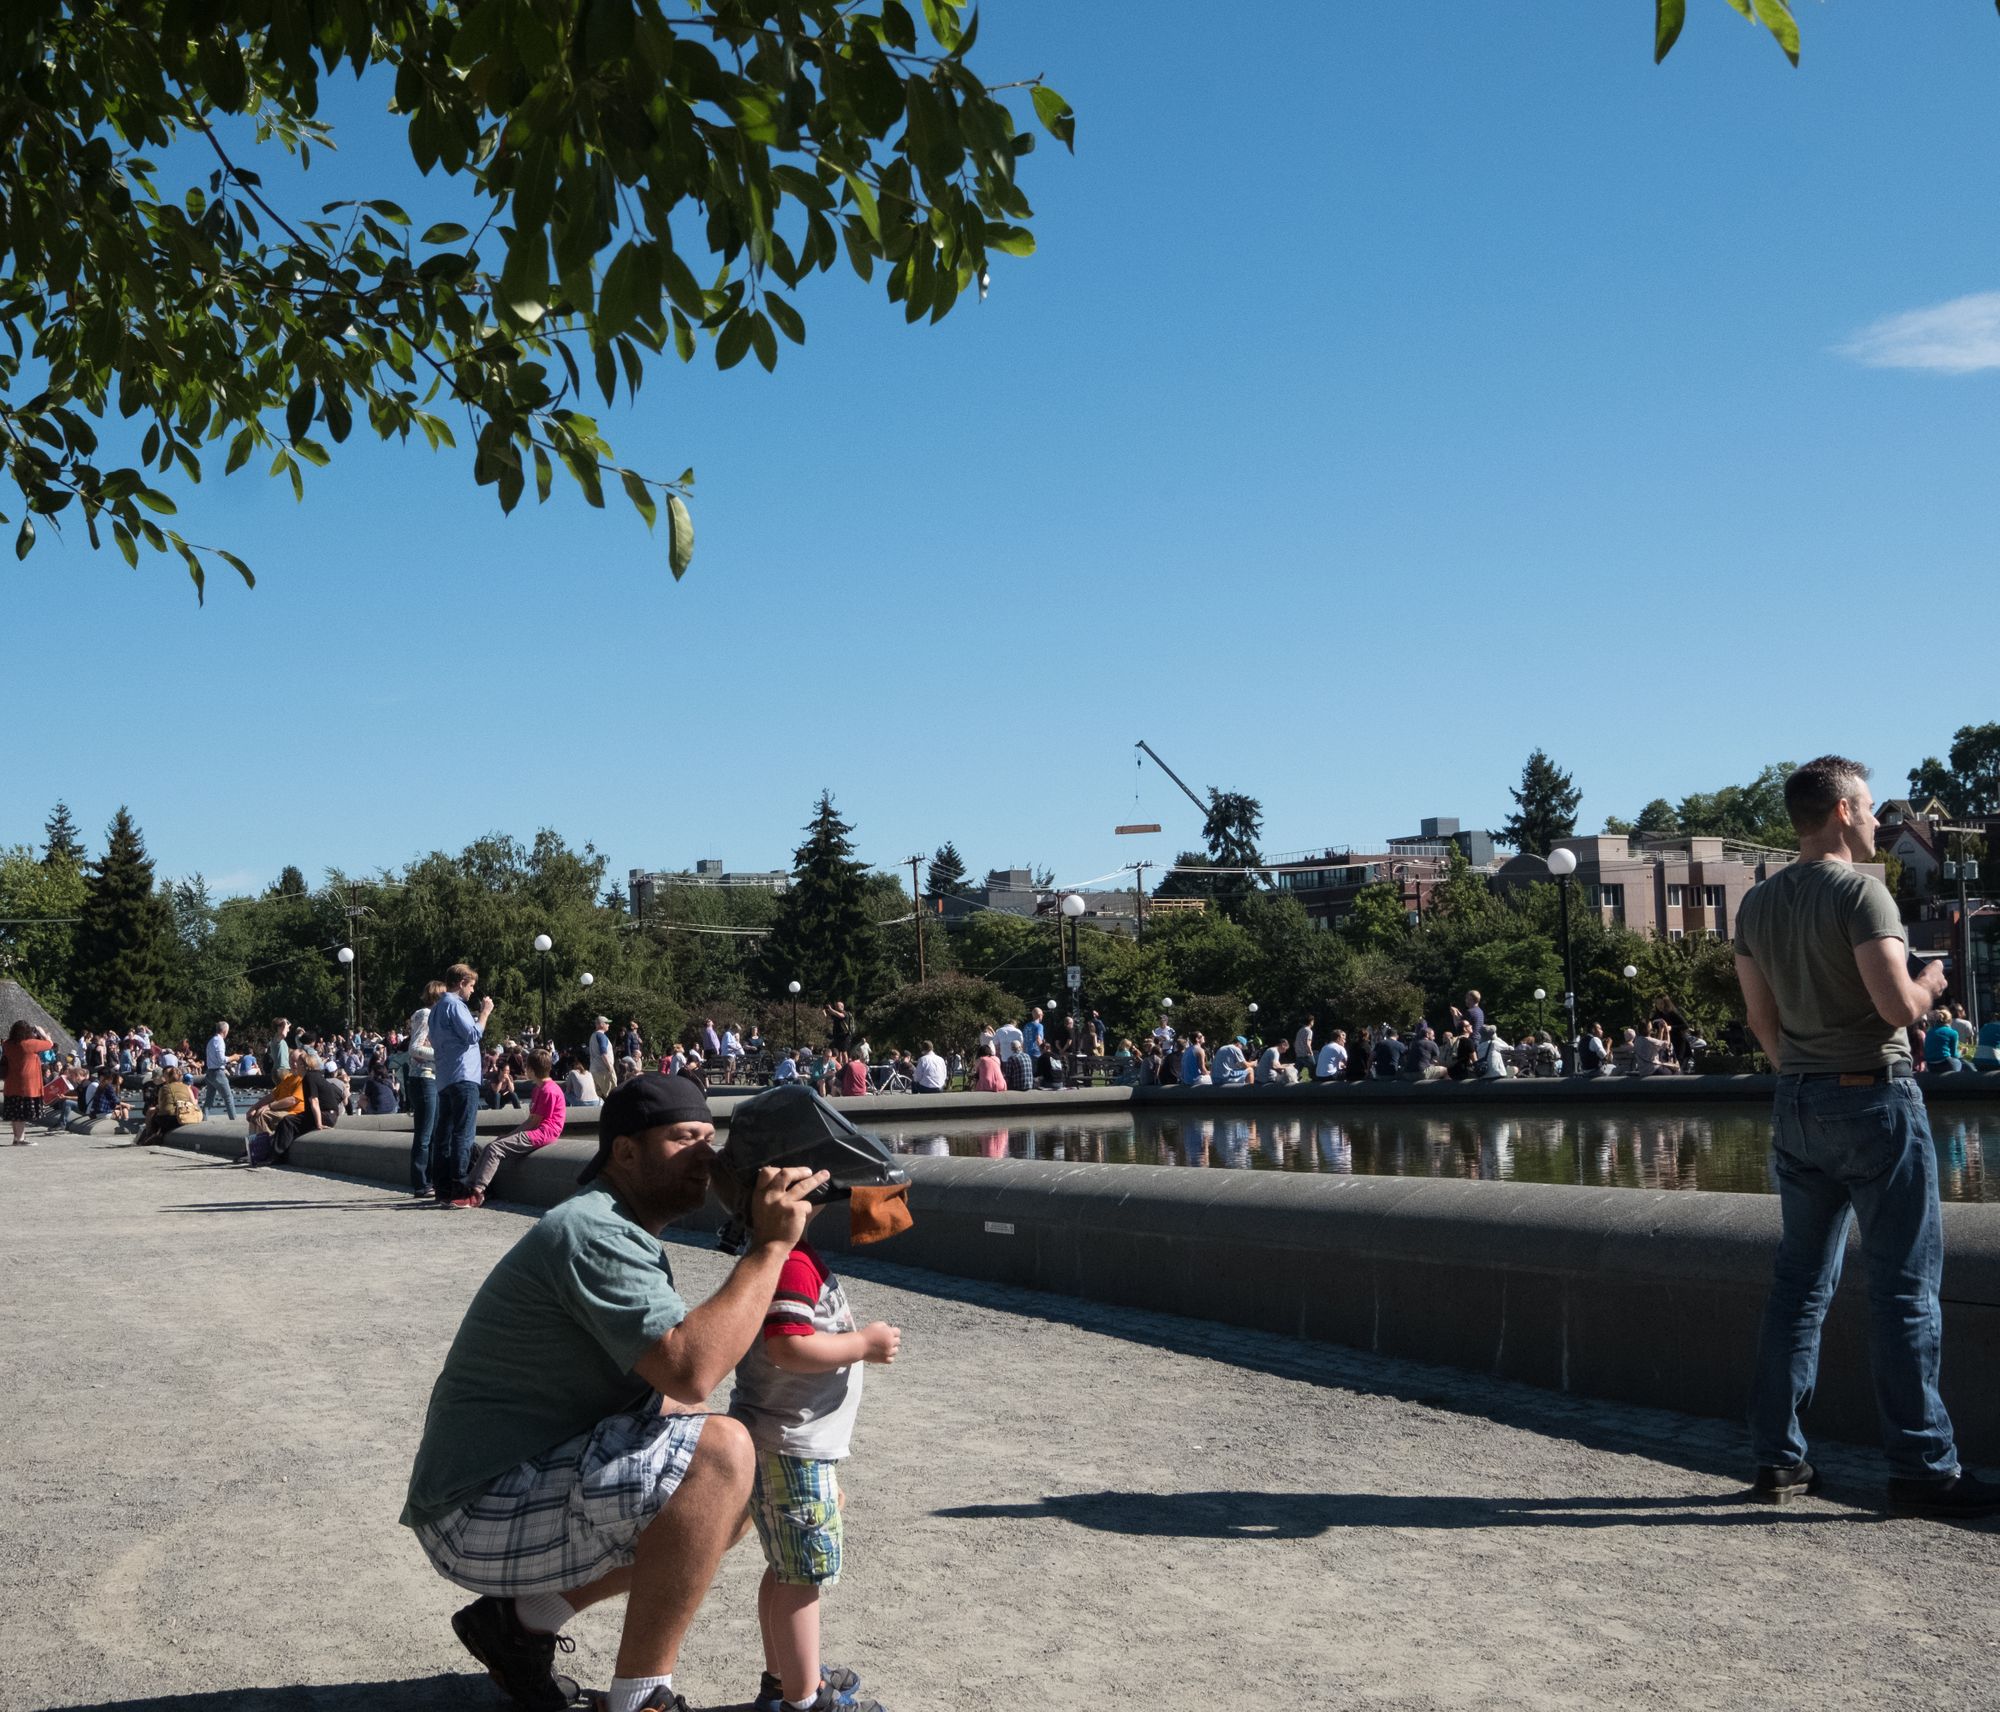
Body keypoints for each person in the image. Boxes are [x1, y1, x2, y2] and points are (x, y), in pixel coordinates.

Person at [400, 1074, 832, 1712]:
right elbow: (692, 1369)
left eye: (709, 1139)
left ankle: (518, 1624)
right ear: (626, 1152)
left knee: (751, 1468)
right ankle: (640, 1698)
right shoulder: (594, 1231)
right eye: (684, 1138)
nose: (706, 1156)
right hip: (471, 1513)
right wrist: (770, 1246)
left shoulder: (619, 1225)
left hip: (505, 1485)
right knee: (720, 1454)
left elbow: (674, 1388)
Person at [1734, 755, 1997, 1515]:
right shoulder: (1860, 891)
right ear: (1843, 811)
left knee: (1798, 1289)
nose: (1881, 820)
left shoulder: (1757, 904)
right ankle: (1923, 1468)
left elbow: (1759, 1019)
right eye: (1872, 806)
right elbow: (1896, 1007)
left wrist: (1800, 1076)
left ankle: (1778, 1459)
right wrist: (1931, 983)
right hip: (1873, 1098)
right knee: (1903, 1289)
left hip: (1797, 1101)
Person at [728, 1203, 899, 1712]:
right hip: (793, 1447)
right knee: (803, 1576)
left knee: (786, 1569)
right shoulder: (793, 1262)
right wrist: (863, 1343)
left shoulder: (778, 1253)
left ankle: (783, 1680)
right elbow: (788, 1346)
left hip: (790, 1446)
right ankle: (805, 1700)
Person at [453, 1051, 567, 1209]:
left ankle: (478, 1192)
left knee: (495, 1149)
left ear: (531, 1070)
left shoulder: (548, 1091)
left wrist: (509, 1135)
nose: (524, 1069)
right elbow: (532, 1121)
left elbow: (533, 1122)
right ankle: (467, 1184)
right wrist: (508, 1136)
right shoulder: (539, 1089)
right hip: (539, 1131)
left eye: (526, 1066)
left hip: (543, 1133)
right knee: (491, 1146)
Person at [429, 964, 494, 1206]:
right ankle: (460, 1189)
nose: (472, 990)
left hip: (445, 1077)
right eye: (471, 985)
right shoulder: (455, 1005)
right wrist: (484, 1013)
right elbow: (472, 1035)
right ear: (462, 982)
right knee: (463, 1133)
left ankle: (442, 1188)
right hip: (464, 1076)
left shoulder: (436, 1009)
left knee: (443, 1135)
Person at [407, 982, 444, 1198]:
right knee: (425, 1133)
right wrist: (442, 1054)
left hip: (432, 1078)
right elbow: (414, 1048)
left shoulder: (434, 1016)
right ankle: (421, 1183)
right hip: (423, 1078)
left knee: (433, 1132)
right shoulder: (426, 1014)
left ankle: (430, 1180)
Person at [4, 1020, 56, 1144]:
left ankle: (17, 1138)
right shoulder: (30, 1044)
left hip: (11, 1082)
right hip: (27, 1083)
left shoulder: (7, 1044)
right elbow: (50, 1044)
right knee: (21, 1113)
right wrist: (42, 1033)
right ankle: (20, 1139)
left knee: (15, 1112)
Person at [134, 1066, 201, 1146]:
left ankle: (150, 1135)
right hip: (186, 1116)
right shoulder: (187, 1087)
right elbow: (194, 1103)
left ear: (168, 1077)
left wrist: (157, 1108)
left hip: (170, 1120)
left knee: (154, 1115)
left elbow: (163, 1107)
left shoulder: (164, 1088)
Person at [199, 1020, 236, 1119]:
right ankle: (233, 1119)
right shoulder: (220, 1041)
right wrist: (233, 1057)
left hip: (209, 1072)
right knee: (228, 1097)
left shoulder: (211, 1040)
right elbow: (221, 1059)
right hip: (217, 1072)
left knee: (209, 1098)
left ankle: (204, 1117)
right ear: (225, 1031)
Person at [1923, 1007, 1968, 1075]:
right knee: (1963, 1064)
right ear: (1950, 1020)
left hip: (1930, 1065)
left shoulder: (1929, 1032)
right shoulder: (1953, 1033)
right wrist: (1962, 1051)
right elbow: (1954, 1055)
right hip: (1946, 1064)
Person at [592, 1018, 617, 1097]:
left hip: (594, 1069)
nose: (608, 1025)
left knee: (598, 1095)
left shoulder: (593, 1036)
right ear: (601, 1024)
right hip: (604, 1070)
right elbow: (603, 1053)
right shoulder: (601, 1036)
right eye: (606, 1023)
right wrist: (609, 1066)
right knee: (612, 1094)